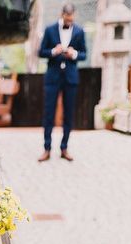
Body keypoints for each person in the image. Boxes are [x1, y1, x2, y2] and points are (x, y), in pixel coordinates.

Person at [37, 3, 86, 162]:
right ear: (62, 14)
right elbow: (41, 52)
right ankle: (47, 148)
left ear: (74, 16)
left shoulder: (79, 31)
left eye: (72, 19)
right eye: (67, 18)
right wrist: (54, 51)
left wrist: (74, 54)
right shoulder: (50, 29)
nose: (69, 21)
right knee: (48, 113)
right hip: (52, 77)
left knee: (69, 114)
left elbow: (84, 54)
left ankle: (64, 148)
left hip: (70, 78)